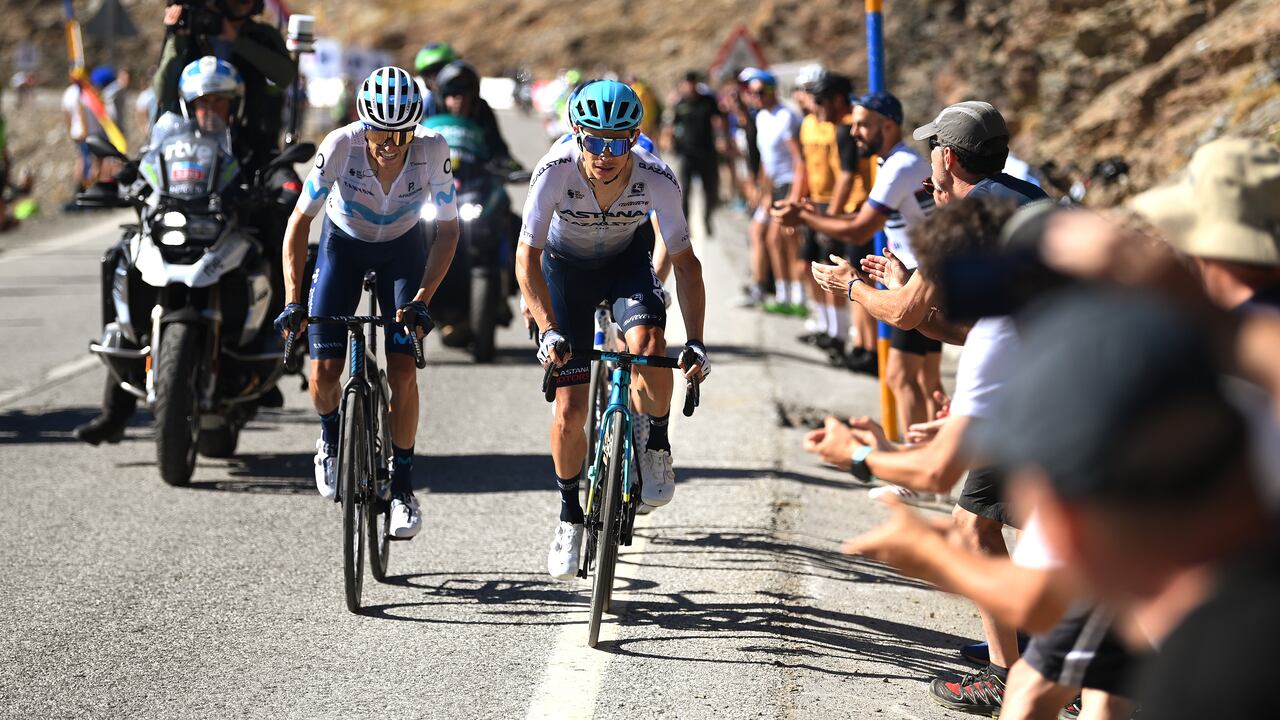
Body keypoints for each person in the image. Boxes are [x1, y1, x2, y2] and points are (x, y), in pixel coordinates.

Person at [515, 79, 710, 580]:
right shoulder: (554, 170)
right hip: (565, 272)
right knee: (570, 409)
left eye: (618, 143)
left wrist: (696, 341)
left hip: (626, 264)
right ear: (576, 133)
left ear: (635, 138)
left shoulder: (656, 176)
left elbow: (686, 264)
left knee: (649, 344)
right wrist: (546, 326)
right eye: (595, 141)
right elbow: (526, 258)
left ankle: (657, 444)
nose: (605, 154)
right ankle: (568, 516)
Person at [273, 66, 459, 539]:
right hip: (344, 246)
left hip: (403, 248)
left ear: (415, 127)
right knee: (323, 371)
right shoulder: (340, 145)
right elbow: (299, 224)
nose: (390, 144)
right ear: (363, 123)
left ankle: (403, 490)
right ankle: (330, 437)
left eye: (401, 133)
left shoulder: (433, 149)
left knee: (403, 371)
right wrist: (293, 300)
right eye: (380, 132)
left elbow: (448, 230)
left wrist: (422, 299)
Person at [75, 57, 281, 445]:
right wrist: (127, 176)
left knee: (273, 252)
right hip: (175, 225)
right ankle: (115, 408)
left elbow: (275, 167)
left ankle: (271, 349)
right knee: (120, 255)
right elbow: (148, 165)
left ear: (234, 104)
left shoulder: (249, 140)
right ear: (188, 104)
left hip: (227, 228)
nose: (210, 109)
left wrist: (281, 183)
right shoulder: (170, 138)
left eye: (219, 101)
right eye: (203, 101)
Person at [775, 92, 941, 435]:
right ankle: (938, 456)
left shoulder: (899, 166)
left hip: (917, 281)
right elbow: (862, 220)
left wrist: (805, 218)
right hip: (923, 275)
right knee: (927, 381)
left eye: (862, 125)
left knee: (901, 377)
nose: (853, 133)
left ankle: (918, 459)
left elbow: (860, 229)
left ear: (888, 126)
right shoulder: (894, 162)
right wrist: (814, 216)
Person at [153, 0, 296, 168]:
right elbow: (162, 93)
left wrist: (237, 41)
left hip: (247, 145)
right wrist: (177, 38)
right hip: (188, 142)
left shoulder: (262, 35)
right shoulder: (191, 34)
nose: (241, 4)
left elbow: (286, 75)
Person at [746, 70, 807, 315]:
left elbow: (799, 159)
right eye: (752, 93)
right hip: (773, 186)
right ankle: (781, 292)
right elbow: (766, 160)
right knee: (763, 235)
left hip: (789, 184)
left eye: (760, 92)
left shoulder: (786, 116)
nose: (755, 97)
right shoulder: (761, 117)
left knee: (785, 240)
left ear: (772, 91)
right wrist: (762, 189)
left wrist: (794, 195)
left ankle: (798, 296)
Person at [425, 60, 519, 170]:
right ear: (442, 98)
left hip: (478, 177)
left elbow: (499, 148)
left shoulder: (482, 112)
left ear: (474, 96)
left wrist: (510, 165)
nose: (459, 99)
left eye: (465, 91)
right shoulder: (429, 111)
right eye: (453, 92)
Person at [664, 70, 724, 238]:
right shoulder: (680, 103)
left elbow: (719, 120)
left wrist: (722, 138)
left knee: (710, 191)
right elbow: (670, 124)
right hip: (686, 153)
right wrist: (668, 139)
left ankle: (707, 218)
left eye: (692, 83)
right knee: (685, 191)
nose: (689, 86)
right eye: (686, 83)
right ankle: (686, 226)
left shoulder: (708, 101)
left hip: (707, 152)